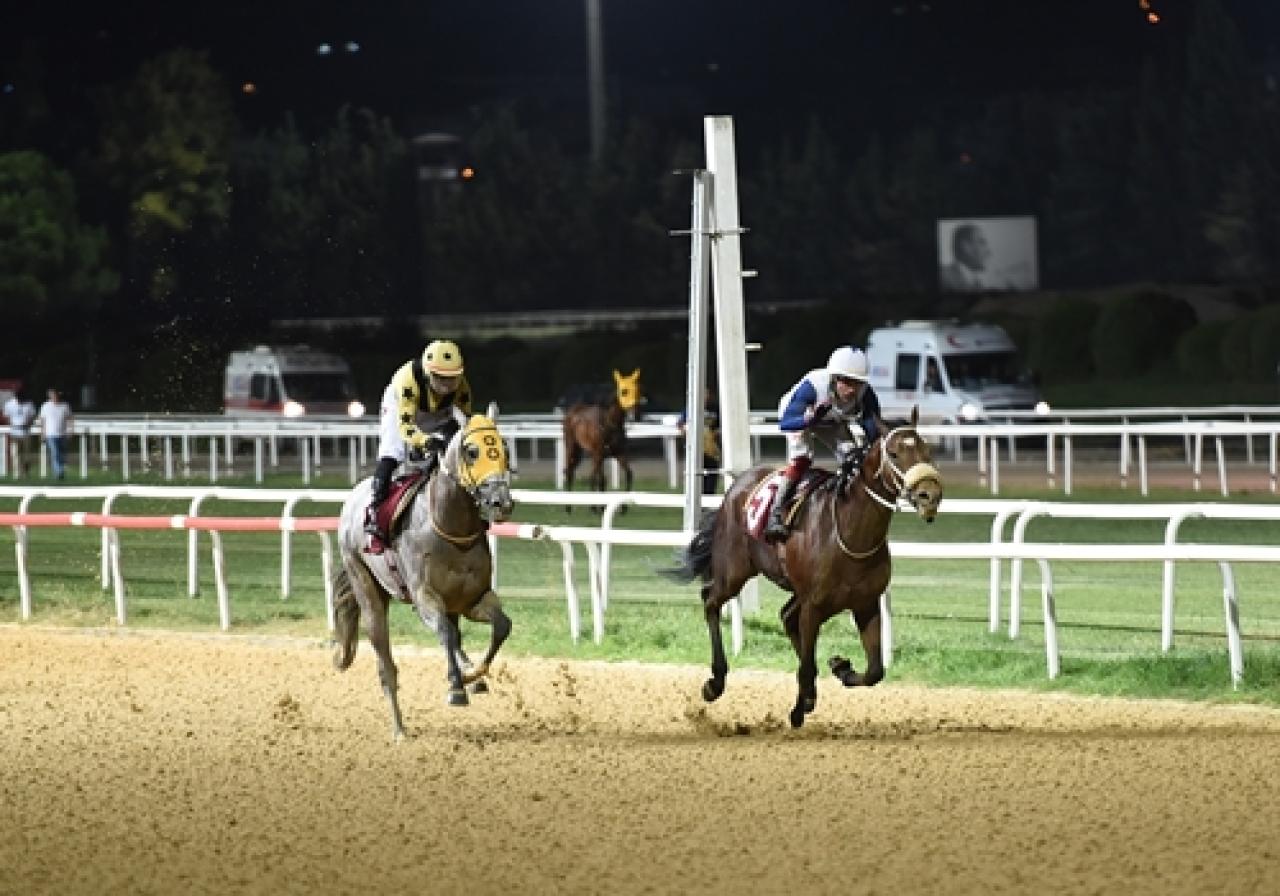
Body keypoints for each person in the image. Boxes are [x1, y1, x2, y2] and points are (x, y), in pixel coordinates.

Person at [764, 346, 884, 542]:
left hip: (831, 420)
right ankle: (774, 513)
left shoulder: (866, 394)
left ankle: (851, 510)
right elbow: (786, 423)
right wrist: (809, 419)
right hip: (800, 417)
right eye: (846, 382)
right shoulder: (813, 387)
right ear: (834, 379)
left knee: (853, 457)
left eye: (857, 383)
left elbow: (873, 432)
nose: (852, 390)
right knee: (802, 459)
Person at [364, 339, 473, 550]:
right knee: (392, 453)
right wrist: (425, 441)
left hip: (436, 411)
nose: (447, 385)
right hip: (401, 405)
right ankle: (375, 513)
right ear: (427, 373)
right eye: (440, 378)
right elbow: (406, 427)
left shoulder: (462, 388)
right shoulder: (409, 381)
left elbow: (466, 425)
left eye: (452, 378)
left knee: (455, 445)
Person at [676, 386, 721, 495]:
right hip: (696, 448)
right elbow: (681, 424)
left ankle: (710, 497)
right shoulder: (691, 409)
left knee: (711, 474)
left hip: (711, 448)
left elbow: (719, 426)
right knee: (697, 475)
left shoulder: (715, 409)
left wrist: (715, 435)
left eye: (706, 394)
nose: (705, 397)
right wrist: (686, 435)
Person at [939, 222, 992, 291]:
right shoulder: (942, 276)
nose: (989, 252)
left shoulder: (979, 285)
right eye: (982, 242)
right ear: (966, 246)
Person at [37, 387, 73, 481]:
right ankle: (59, 472)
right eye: (51, 395)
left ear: (58, 395)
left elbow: (70, 419)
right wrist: (42, 433)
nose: (53, 397)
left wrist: (70, 430)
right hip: (50, 434)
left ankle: (59, 470)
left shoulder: (65, 406)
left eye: (54, 395)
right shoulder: (45, 406)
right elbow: (42, 420)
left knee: (61, 454)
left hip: (62, 434)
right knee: (55, 453)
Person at [4, 387, 36, 478]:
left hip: (25, 432)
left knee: (27, 454)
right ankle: (17, 472)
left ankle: (26, 471)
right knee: (15, 453)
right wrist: (12, 424)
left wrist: (28, 424)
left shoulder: (29, 404)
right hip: (15, 432)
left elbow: (32, 416)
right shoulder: (9, 404)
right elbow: (7, 416)